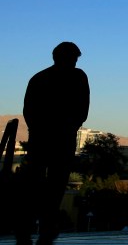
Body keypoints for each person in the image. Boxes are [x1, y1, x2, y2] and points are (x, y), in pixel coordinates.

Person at [15, 41, 90, 245]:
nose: (74, 62)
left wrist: (39, 130)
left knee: (36, 183)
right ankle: (45, 226)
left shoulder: (39, 78)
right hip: (60, 139)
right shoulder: (77, 77)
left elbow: (29, 110)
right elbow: (82, 108)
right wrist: (69, 126)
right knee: (54, 184)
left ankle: (28, 226)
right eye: (73, 58)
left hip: (42, 139)